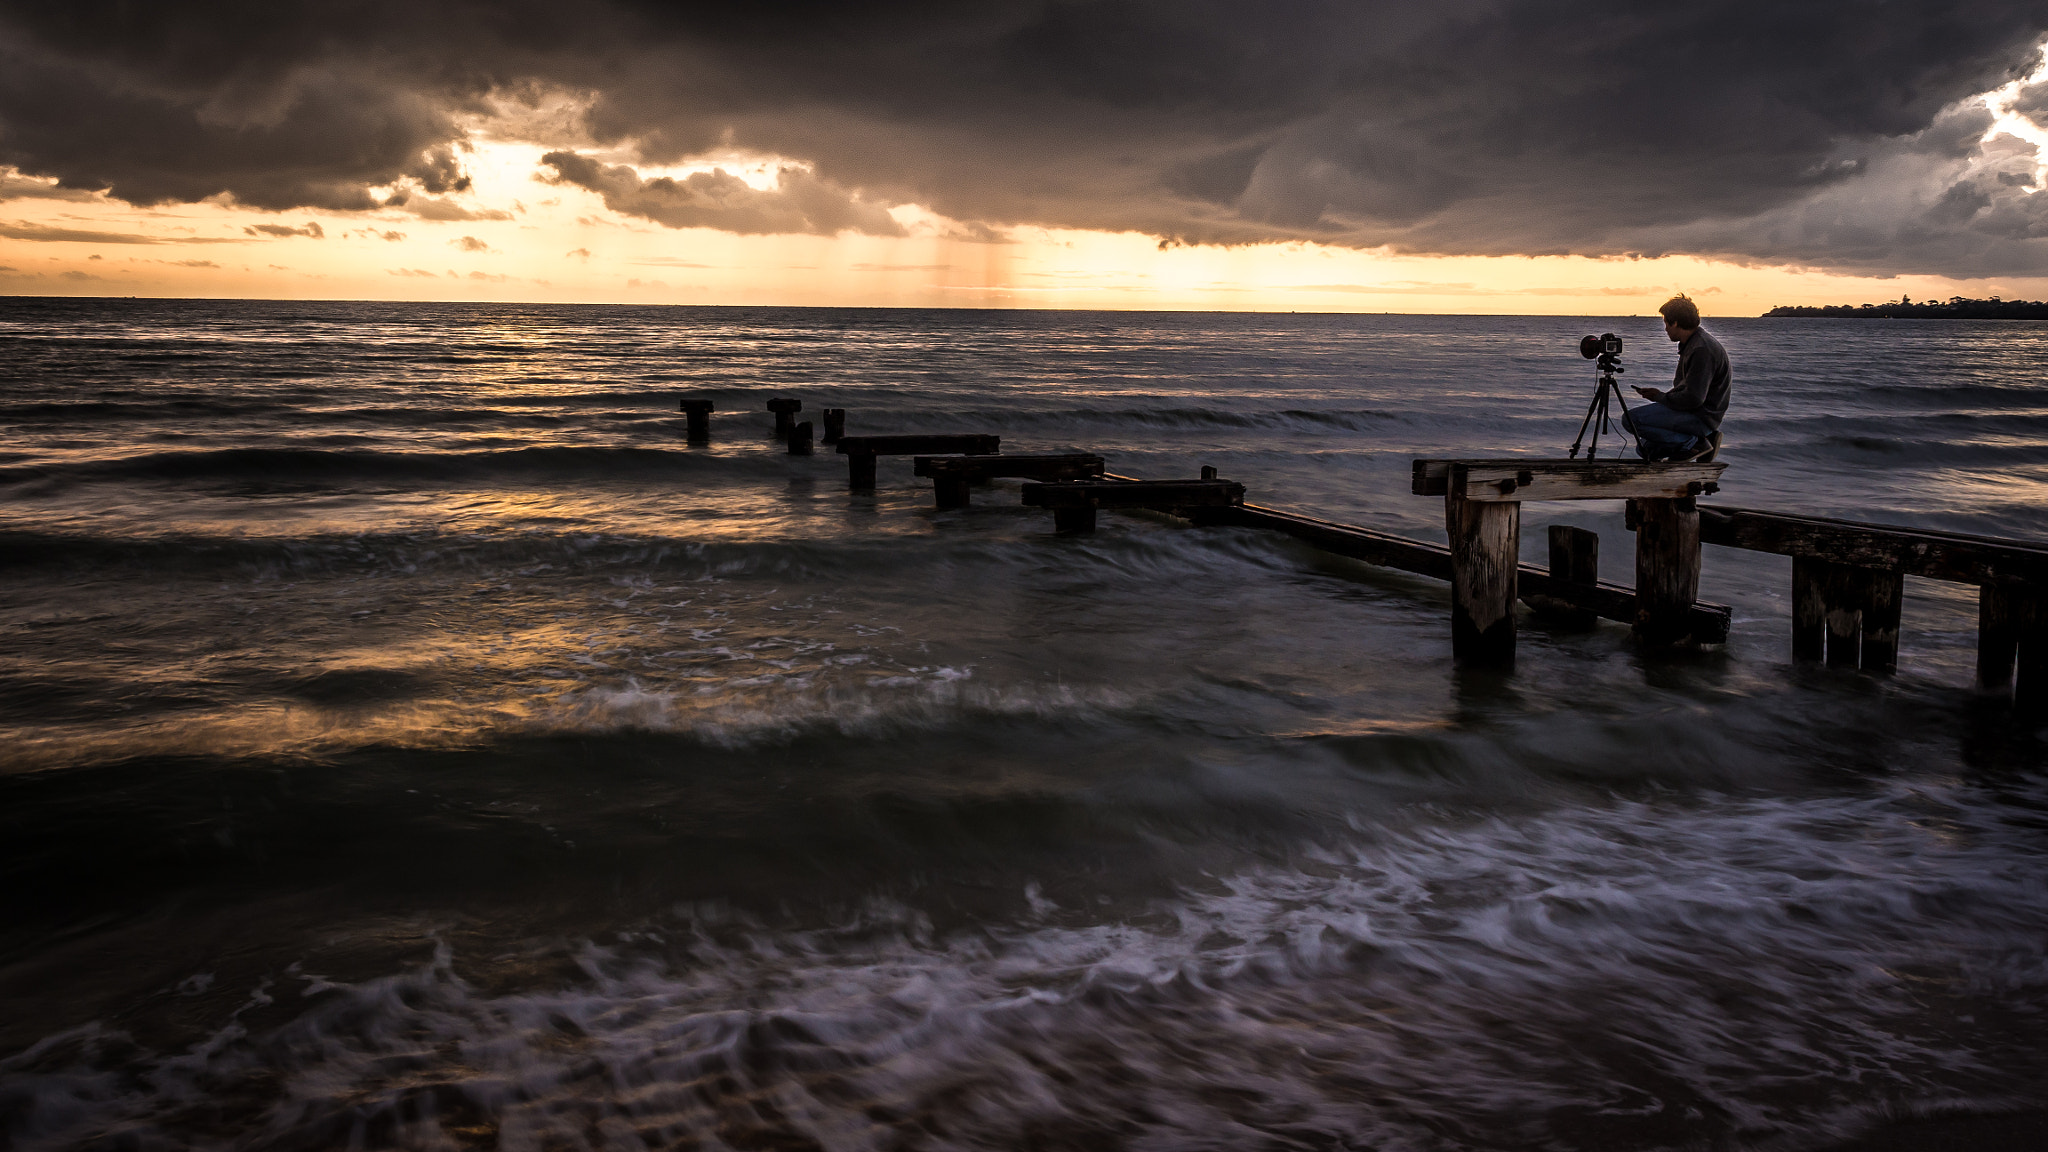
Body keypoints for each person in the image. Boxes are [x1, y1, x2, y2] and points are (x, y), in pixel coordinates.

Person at [1623, 294, 1730, 461]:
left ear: (1676, 323)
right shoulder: (1691, 345)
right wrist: (1660, 396)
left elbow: (1694, 399)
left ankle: (1693, 442)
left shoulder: (1701, 349)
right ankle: (1688, 449)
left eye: (1666, 323)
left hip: (1701, 417)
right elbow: (1688, 391)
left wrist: (1660, 397)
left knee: (1630, 420)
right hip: (1692, 412)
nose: (1665, 329)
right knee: (1646, 449)